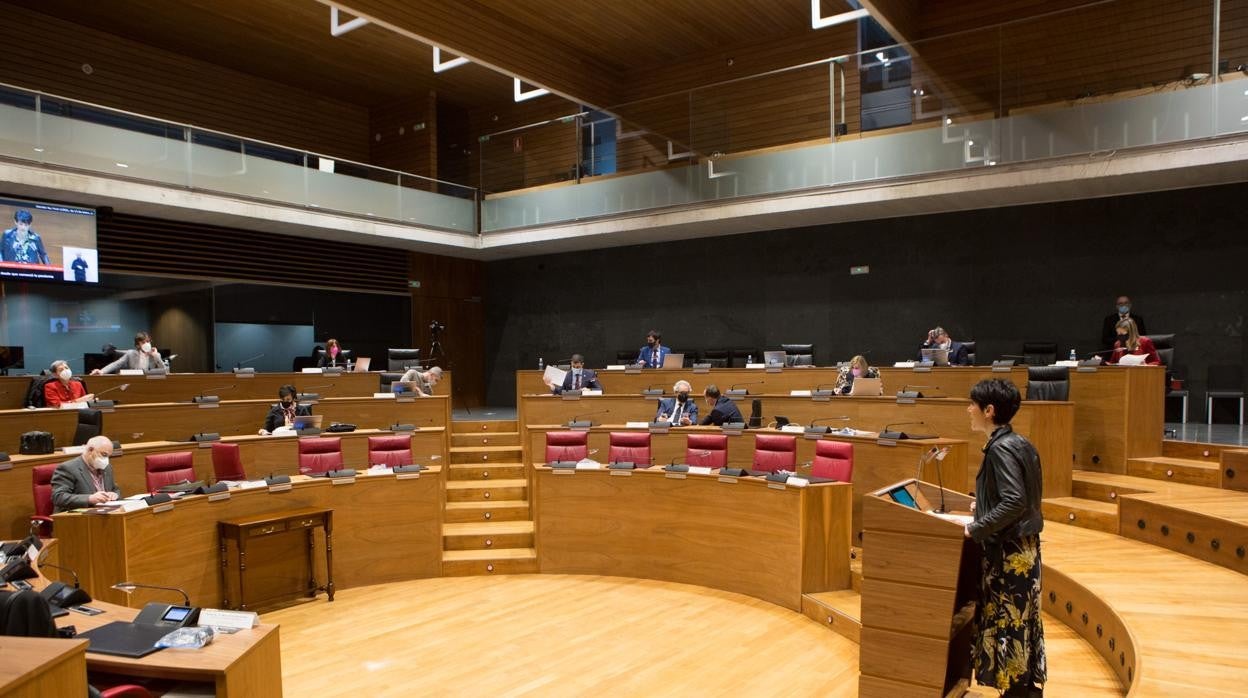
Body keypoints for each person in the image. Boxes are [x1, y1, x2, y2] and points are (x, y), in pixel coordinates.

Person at [964, 379, 1046, 697]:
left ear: (989, 410)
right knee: (1020, 626)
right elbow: (1019, 497)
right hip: (1023, 550)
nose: (968, 410)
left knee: (1009, 625)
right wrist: (982, 504)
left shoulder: (1000, 449)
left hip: (1009, 555)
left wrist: (976, 527)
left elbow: (1015, 501)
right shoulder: (1019, 442)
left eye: (973, 404)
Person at [50, 435, 120, 512]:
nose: (106, 460)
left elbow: (115, 489)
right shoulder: (67, 468)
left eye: (108, 456)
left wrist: (114, 495)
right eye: (104, 455)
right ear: (90, 450)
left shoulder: (107, 468)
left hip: (103, 513)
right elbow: (58, 497)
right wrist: (90, 498)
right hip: (76, 518)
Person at [92, 331, 165, 374]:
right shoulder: (131, 353)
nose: (147, 344)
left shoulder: (156, 355)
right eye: (143, 342)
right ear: (138, 345)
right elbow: (116, 364)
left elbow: (164, 371)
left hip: (149, 383)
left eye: (148, 341)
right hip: (134, 382)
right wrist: (101, 371)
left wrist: (155, 355)